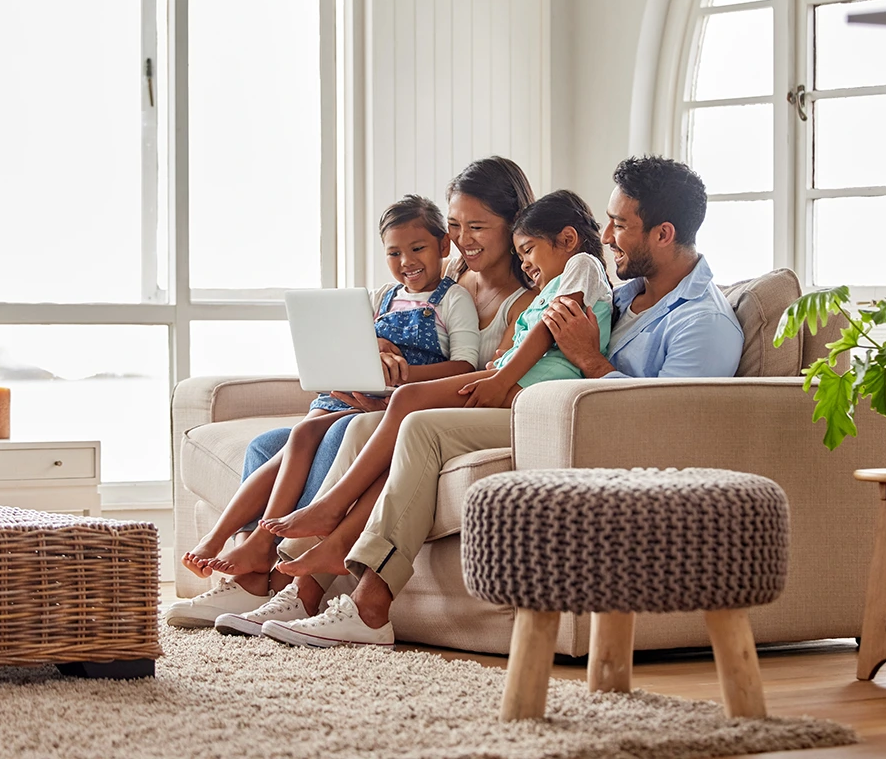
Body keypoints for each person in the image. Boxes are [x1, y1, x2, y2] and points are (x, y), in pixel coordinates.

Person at [259, 155, 744, 648]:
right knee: (368, 425)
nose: (608, 233)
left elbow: (670, 428)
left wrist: (591, 361)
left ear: (663, 234)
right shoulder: (625, 292)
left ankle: (370, 606)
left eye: (621, 225)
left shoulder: (702, 323)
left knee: (424, 427)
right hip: (540, 408)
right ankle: (303, 588)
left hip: (576, 430)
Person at [163, 157, 537, 630]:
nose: (464, 239)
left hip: (423, 409)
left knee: (343, 434)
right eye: (458, 225)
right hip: (378, 400)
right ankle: (254, 573)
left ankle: (271, 572)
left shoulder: (524, 300)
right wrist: (371, 350)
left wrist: (398, 392)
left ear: (514, 224)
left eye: (478, 227)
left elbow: (481, 374)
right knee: (269, 444)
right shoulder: (440, 280)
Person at [254, 190, 615, 648]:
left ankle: (364, 595)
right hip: (512, 387)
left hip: (533, 401)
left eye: (528, 250)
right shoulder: (535, 285)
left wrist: (502, 379)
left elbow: (544, 333)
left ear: (566, 239)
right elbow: (526, 333)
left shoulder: (583, 265)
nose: (525, 263)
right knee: (371, 421)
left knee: (416, 417)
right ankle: (305, 591)